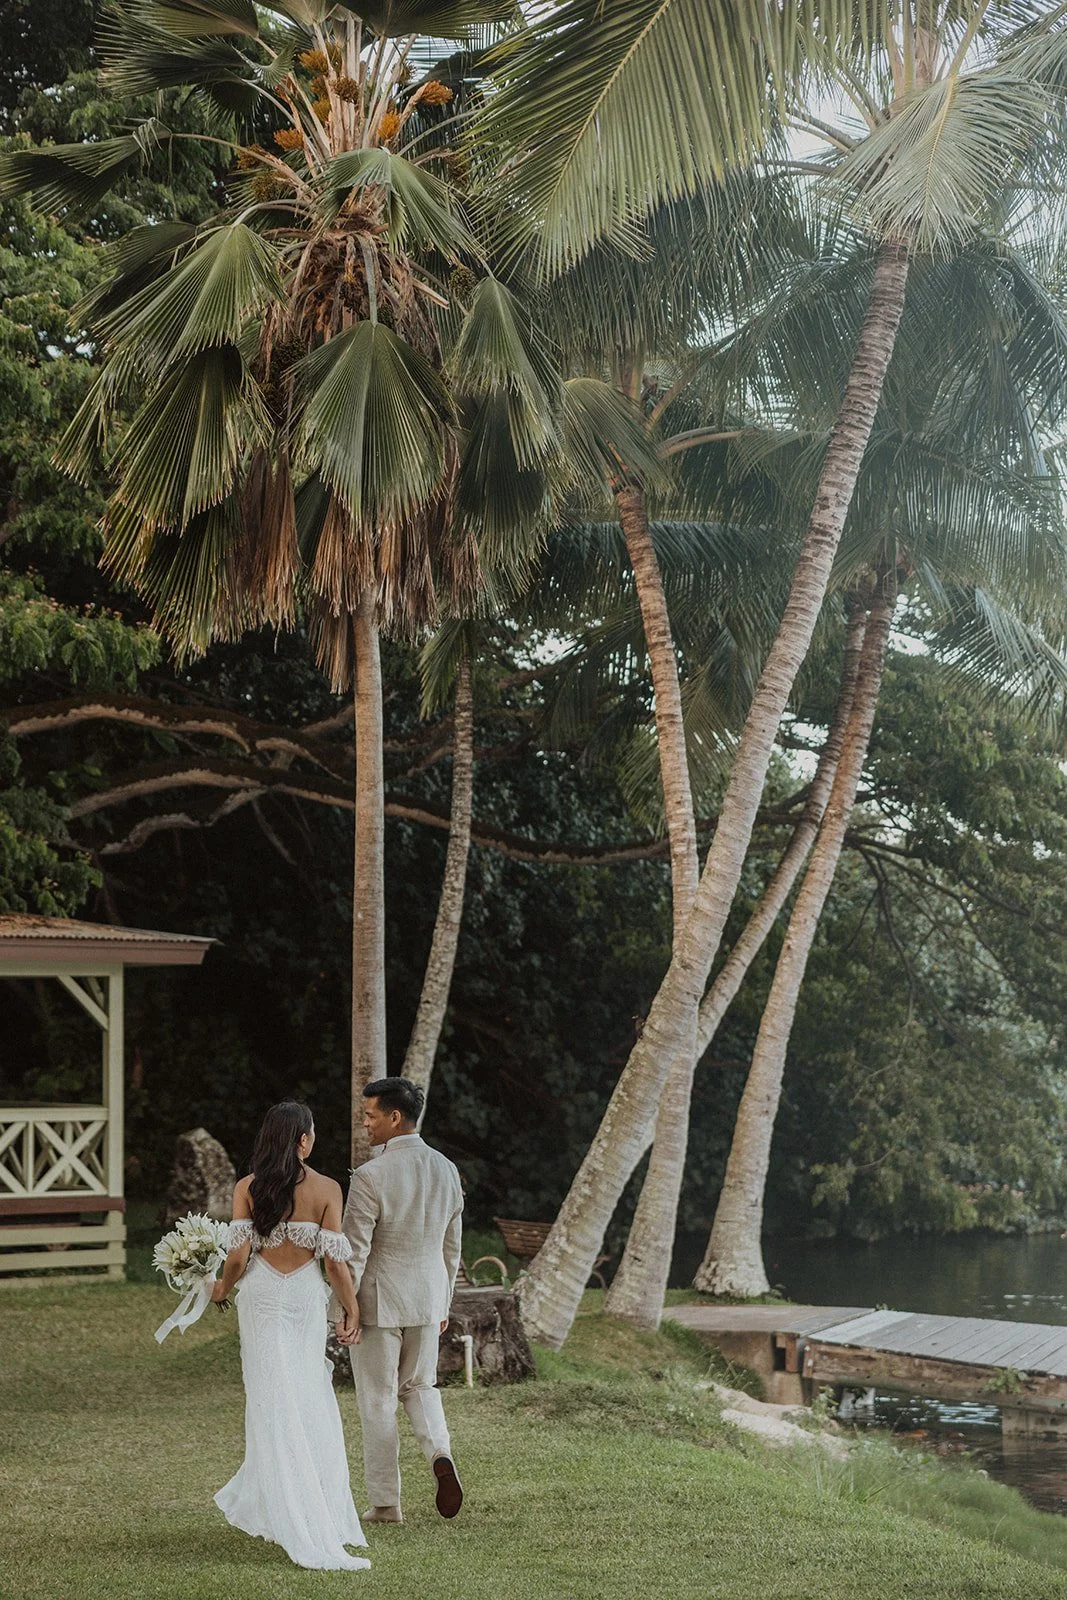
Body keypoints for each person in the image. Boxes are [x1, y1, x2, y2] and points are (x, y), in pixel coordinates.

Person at [210, 1101, 371, 1572]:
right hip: (303, 1296)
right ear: (302, 1139)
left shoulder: (248, 1187)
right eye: (312, 1132)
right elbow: (335, 1264)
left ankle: (289, 1506)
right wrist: (352, 1307)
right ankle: (304, 1507)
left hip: (261, 1295)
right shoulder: (327, 1188)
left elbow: (237, 1258)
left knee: (269, 1398)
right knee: (306, 1395)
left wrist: (221, 1288)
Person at [330, 1077, 464, 1526]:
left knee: (377, 1399)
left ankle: (386, 1504)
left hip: (378, 1302)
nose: (365, 1124)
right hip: (427, 1298)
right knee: (420, 1387)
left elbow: (354, 1251)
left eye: (370, 1116)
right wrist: (444, 1302)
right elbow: (452, 1248)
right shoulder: (447, 1169)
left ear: (394, 1117)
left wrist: (343, 1309)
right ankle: (440, 1452)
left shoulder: (370, 1176)